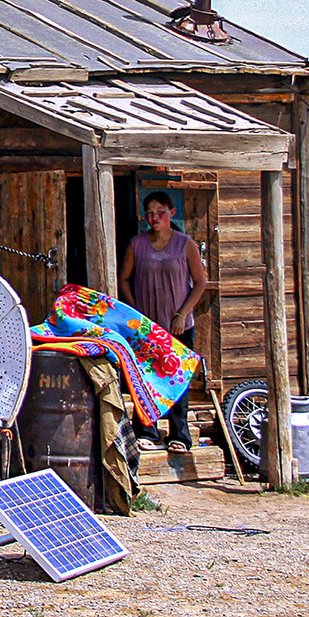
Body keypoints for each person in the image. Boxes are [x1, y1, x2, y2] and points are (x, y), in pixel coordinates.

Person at [119, 190, 209, 454]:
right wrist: (135, 311)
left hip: (178, 325)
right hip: (148, 327)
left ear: (171, 213)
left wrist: (183, 314)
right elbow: (124, 278)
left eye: (160, 212)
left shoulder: (185, 244)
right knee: (145, 378)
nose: (154, 217)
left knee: (177, 379)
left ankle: (179, 434)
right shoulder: (137, 244)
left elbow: (200, 282)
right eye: (149, 213)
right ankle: (147, 430)